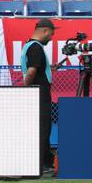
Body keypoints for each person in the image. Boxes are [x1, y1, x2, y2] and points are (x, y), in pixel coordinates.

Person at [22, 18, 56, 173]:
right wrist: (25, 89)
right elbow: (31, 71)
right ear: (45, 31)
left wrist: (49, 68)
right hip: (39, 93)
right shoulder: (36, 48)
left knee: (41, 128)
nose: (51, 37)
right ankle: (43, 164)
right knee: (43, 128)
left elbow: (35, 69)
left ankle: (42, 163)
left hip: (36, 91)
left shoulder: (29, 45)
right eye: (51, 34)